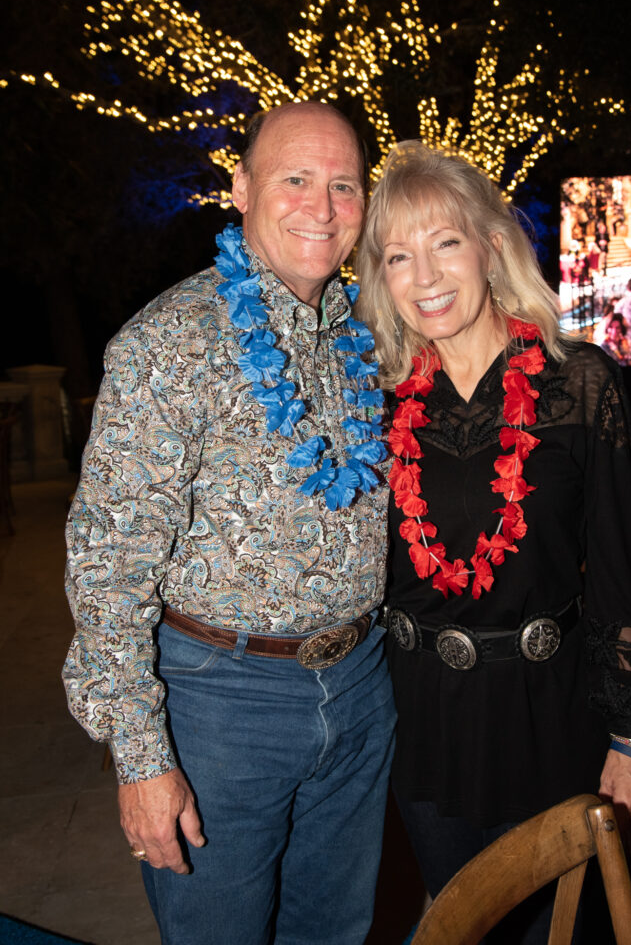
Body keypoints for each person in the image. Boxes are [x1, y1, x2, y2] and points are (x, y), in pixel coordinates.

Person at [63, 101, 396, 945]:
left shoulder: (363, 336)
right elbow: (107, 566)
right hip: (220, 706)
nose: (321, 208)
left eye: (344, 186)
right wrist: (142, 759)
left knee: (334, 934)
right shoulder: (167, 344)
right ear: (241, 189)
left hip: (359, 689)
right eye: (295, 180)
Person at [356, 142, 631, 941]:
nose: (423, 277)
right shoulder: (374, 403)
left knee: (567, 929)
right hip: (423, 719)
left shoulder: (580, 381)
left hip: (549, 715)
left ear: (491, 246)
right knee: (466, 924)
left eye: (444, 243)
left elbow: (626, 576)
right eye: (398, 255)